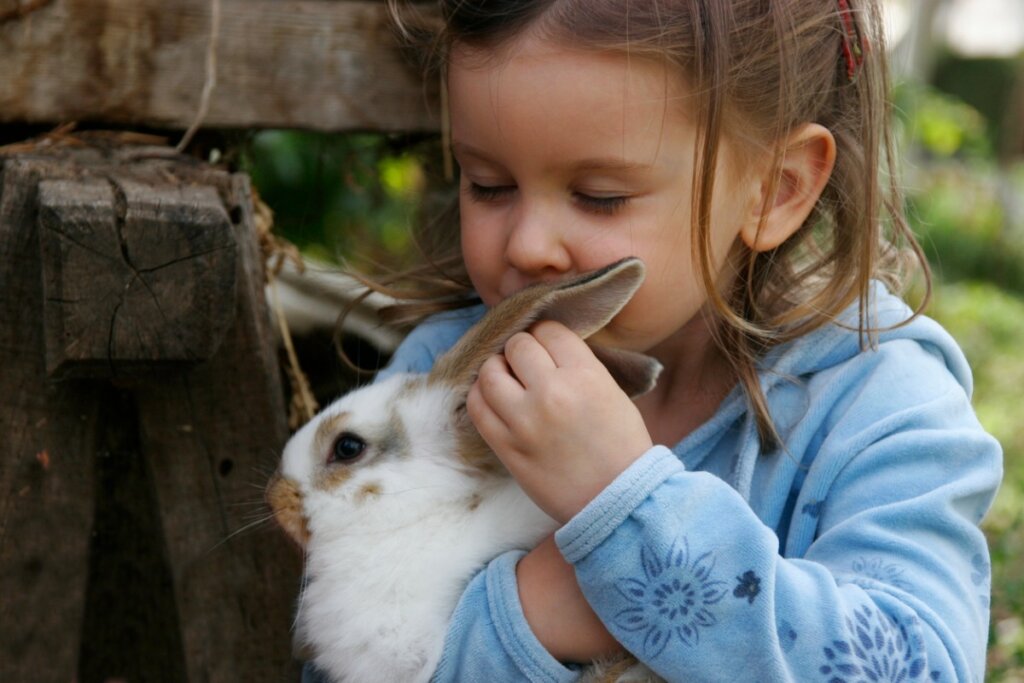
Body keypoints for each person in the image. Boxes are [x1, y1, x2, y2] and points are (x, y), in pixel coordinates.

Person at [307, 0, 1003, 680]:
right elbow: (338, 645)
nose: (527, 244)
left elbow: (920, 665)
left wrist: (629, 514)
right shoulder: (439, 381)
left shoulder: (880, 407)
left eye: (600, 195)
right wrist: (534, 612)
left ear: (775, 188)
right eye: (489, 185)